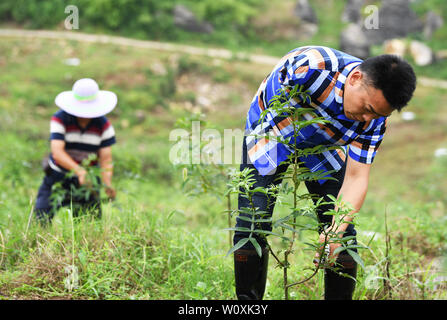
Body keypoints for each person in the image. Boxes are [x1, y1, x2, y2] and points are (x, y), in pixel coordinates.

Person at [233, 46, 416, 300]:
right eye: (366, 107)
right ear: (355, 79)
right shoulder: (311, 68)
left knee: (343, 236)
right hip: (274, 128)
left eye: (375, 114)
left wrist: (335, 229)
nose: (365, 117)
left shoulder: (375, 120)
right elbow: (274, 90)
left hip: (325, 144)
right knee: (253, 220)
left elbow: (357, 177)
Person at [34, 78, 118, 224]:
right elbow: (57, 152)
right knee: (41, 218)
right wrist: (79, 171)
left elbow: (105, 159)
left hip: (88, 182)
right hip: (58, 176)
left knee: (89, 224)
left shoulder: (103, 124)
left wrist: (107, 183)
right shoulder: (60, 118)